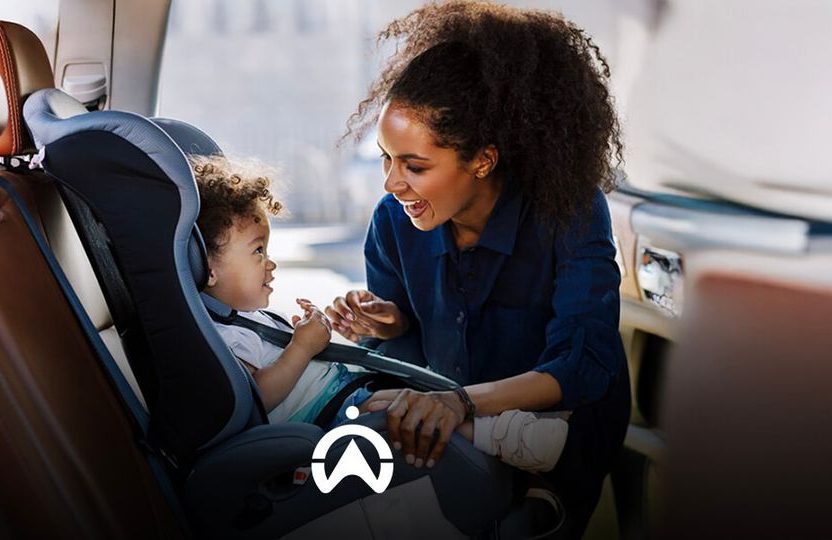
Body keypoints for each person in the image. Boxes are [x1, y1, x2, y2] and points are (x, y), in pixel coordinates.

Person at [326, 2, 631, 536]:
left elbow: (583, 364)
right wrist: (390, 323)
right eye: (385, 158)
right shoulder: (392, 222)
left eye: (414, 166)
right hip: (448, 434)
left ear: (483, 160)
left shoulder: (570, 213)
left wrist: (461, 402)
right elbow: (406, 354)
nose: (391, 184)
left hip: (551, 445)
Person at [193, 154, 571, 472]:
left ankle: (504, 431)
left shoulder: (245, 319)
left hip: (344, 397)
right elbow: (254, 399)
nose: (270, 264)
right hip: (327, 419)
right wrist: (301, 349)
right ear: (206, 266)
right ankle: (505, 437)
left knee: (404, 404)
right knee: (405, 419)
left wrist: (306, 335)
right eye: (258, 251)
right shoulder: (221, 337)